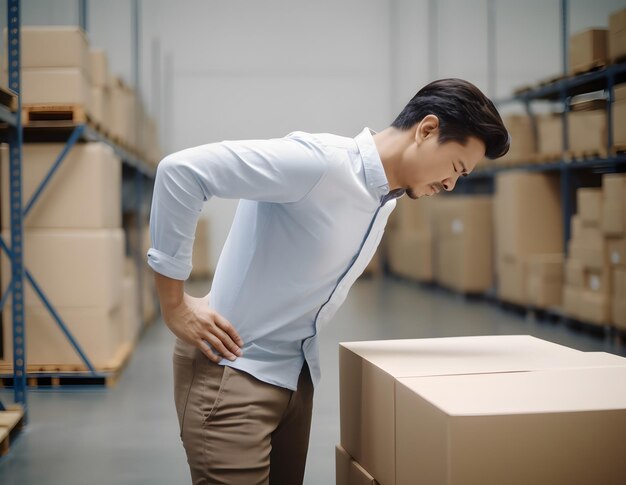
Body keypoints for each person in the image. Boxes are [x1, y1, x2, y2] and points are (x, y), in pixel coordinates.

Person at [147, 78, 509, 484]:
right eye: (456, 168)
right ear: (427, 130)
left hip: (293, 381)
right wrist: (174, 305)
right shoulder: (318, 163)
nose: (450, 185)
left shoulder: (383, 199)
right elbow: (180, 172)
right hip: (233, 375)